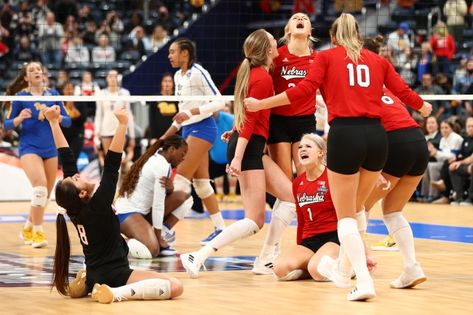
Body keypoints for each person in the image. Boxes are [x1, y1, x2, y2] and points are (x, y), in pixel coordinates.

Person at [244, 13, 432, 301]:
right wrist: (423, 106)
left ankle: (364, 279)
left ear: (332, 38)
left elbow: (304, 90)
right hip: (377, 138)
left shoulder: (325, 58)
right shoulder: (377, 60)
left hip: (346, 135)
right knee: (358, 209)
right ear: (357, 35)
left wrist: (262, 103)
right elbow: (402, 91)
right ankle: (345, 271)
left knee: (345, 217)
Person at [180, 29, 294, 279]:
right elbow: (251, 119)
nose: (278, 44)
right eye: (274, 42)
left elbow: (244, 113)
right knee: (254, 220)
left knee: (290, 196)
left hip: (247, 142)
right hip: (249, 146)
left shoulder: (255, 74)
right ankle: (198, 256)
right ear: (266, 50)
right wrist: (238, 156)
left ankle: (265, 258)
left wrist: (233, 131)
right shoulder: (262, 78)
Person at [47, 105, 183, 303]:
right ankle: (115, 293)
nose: (76, 175)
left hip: (96, 271)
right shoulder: (97, 204)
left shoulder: (74, 207)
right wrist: (122, 124)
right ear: (82, 192)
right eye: (75, 179)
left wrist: (53, 123)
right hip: (115, 274)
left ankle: (87, 282)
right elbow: (112, 164)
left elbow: (66, 157)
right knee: (175, 286)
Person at [361, 35, 428, 288]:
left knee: (358, 207)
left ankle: (354, 265)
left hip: (394, 143)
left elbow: (370, 127)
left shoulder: (359, 87)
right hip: (417, 141)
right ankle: (411, 267)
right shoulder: (386, 85)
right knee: (392, 211)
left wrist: (375, 166)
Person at [252, 12, 316, 274]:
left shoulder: (317, 58)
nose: (300, 18)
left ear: (309, 30)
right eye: (295, 18)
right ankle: (271, 249)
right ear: (288, 29)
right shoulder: (276, 56)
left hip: (305, 124)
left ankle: (306, 242)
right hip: (278, 123)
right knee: (287, 189)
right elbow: (258, 88)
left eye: (305, 18)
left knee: (304, 186)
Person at [161, 38, 226, 244]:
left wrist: (193, 111)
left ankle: (165, 228)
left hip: (204, 128)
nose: (169, 56)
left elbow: (219, 101)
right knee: (201, 184)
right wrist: (166, 135)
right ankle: (220, 228)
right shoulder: (177, 76)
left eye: (173, 52)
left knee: (180, 181)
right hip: (188, 128)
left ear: (185, 53)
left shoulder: (198, 72)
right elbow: (181, 115)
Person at [3, 61, 71, 248]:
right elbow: (7, 125)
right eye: (32, 70)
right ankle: (38, 232)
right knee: (40, 188)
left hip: (50, 148)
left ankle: (27, 226)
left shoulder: (54, 95)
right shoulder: (20, 97)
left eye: (38, 69)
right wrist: (19, 118)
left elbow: (68, 122)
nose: (36, 72)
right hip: (29, 147)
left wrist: (57, 116)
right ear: (26, 77)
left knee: (45, 195)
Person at [273, 134, 340, 282]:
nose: (302, 149)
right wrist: (299, 247)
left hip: (334, 237)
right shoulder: (298, 183)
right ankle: (313, 264)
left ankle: (348, 267)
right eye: (300, 147)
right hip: (310, 240)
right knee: (279, 268)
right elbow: (301, 220)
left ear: (321, 153)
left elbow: (347, 212)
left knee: (318, 271)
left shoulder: (333, 176)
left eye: (308, 146)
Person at [114, 134, 193, 258]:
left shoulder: (157, 156)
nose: (183, 158)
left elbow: (166, 137)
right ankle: (113, 244)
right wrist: (157, 238)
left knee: (186, 198)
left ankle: (162, 235)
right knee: (153, 250)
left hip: (143, 212)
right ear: (172, 149)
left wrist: (171, 188)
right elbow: (158, 205)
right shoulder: (162, 165)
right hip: (127, 213)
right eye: (182, 154)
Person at [148, 73, 178, 146]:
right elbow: (152, 118)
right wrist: (153, 137)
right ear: (161, 83)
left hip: (174, 136)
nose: (167, 84)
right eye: (165, 81)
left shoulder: (177, 98)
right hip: (158, 136)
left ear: (173, 84)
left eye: (170, 81)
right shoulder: (155, 98)